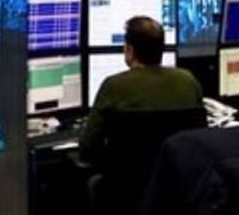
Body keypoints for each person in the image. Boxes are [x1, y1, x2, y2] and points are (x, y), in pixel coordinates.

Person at [78, 16, 203, 167]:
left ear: (130, 50)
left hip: (127, 179)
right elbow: (201, 139)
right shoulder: (188, 80)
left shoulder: (113, 85)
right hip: (176, 178)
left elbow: (87, 147)